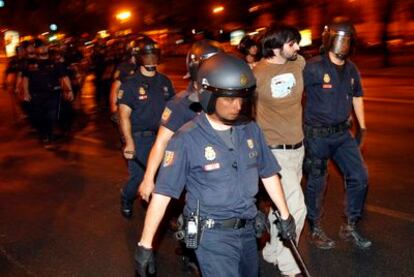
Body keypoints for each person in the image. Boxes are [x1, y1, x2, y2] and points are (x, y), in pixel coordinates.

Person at [134, 52, 296, 277]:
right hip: (212, 237)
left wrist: (286, 215)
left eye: (241, 98)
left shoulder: (250, 129)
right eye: (228, 99)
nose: (237, 106)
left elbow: (268, 174)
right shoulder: (185, 139)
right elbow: (163, 195)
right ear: (208, 96)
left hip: (248, 230)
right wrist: (145, 245)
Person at [303, 20, 372, 249]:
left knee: (360, 177)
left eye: (347, 40)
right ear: (329, 40)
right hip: (317, 137)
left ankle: (350, 225)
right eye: (339, 39)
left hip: (343, 135)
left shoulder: (352, 69)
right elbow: (293, 97)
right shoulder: (313, 67)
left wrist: (362, 128)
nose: (343, 45)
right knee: (317, 183)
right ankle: (315, 228)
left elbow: (357, 97)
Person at [138, 39, 222, 202]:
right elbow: (161, 142)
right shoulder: (180, 104)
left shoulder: (225, 98)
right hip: (196, 177)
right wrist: (148, 179)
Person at [254, 25, 307, 277]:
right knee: (296, 208)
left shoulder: (299, 63)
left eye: (297, 42)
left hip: (298, 148)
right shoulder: (257, 74)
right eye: (292, 43)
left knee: (280, 205)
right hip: (273, 152)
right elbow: (239, 108)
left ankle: (272, 251)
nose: (298, 47)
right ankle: (290, 266)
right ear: (276, 47)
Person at [118, 37, 175, 219]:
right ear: (139, 58)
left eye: (154, 55)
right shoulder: (130, 84)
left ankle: (162, 213)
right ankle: (126, 197)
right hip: (139, 139)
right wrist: (129, 143)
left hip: (162, 137)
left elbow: (174, 109)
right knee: (138, 179)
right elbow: (124, 116)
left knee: (164, 176)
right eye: (147, 55)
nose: (151, 59)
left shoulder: (165, 81)